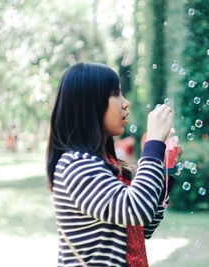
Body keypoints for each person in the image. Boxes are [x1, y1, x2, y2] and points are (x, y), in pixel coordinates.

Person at [46, 62, 181, 267]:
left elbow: (143, 226)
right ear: (90, 104)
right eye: (116, 94)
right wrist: (153, 145)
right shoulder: (76, 165)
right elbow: (137, 210)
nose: (125, 103)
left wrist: (164, 169)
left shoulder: (107, 164)